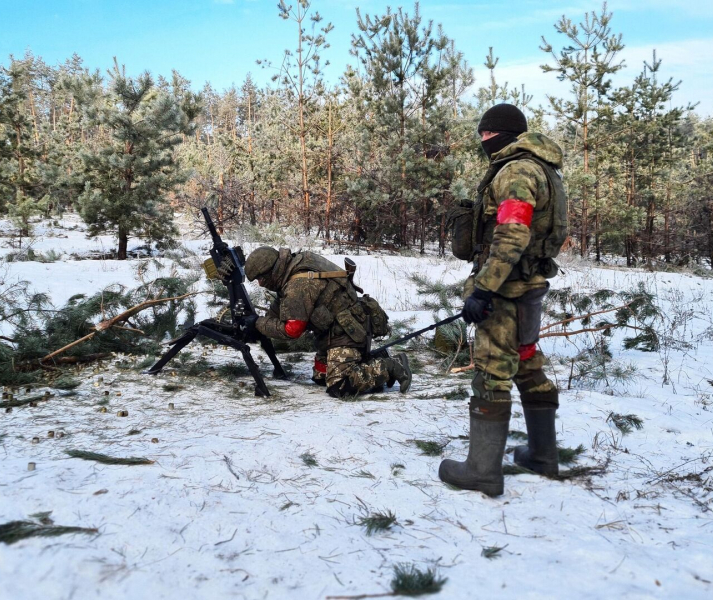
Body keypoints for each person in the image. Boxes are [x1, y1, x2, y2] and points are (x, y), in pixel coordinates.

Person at [438, 103, 567, 496]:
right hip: (530, 285)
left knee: (493, 372)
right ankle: (543, 456)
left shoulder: (516, 172)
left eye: (484, 135)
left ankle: (482, 471)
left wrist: (484, 289)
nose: (482, 142)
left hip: (507, 289)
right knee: (526, 361)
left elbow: (512, 234)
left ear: (497, 133)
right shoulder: (544, 169)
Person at [224, 247, 411, 398]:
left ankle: (392, 366)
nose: (261, 284)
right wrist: (260, 322)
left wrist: (258, 323)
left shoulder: (298, 284)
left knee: (339, 385)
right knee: (321, 376)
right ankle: (370, 360)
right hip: (337, 328)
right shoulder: (296, 263)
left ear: (272, 271)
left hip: (347, 331)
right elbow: (281, 307)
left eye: (262, 279)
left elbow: (292, 330)